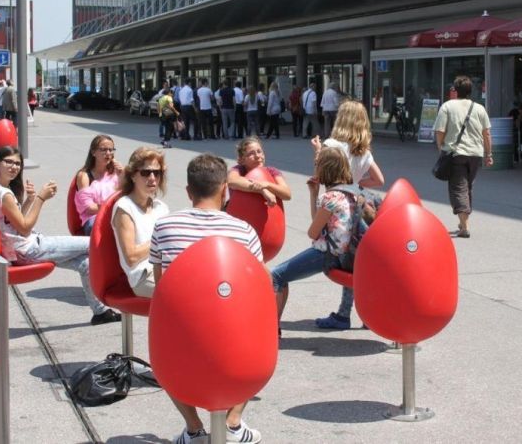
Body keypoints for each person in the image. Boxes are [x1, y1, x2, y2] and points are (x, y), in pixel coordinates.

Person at [150, 153, 263, 444]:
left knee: (162, 351)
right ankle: (234, 424)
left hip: (184, 339)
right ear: (225, 189)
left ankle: (194, 429)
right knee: (263, 335)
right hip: (236, 340)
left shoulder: (164, 227)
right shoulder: (244, 231)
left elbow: (163, 291)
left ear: (188, 191)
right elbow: (258, 292)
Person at [0, 146, 120, 325]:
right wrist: (41, 198)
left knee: (86, 264)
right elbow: (24, 228)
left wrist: (30, 200)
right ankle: (120, 286)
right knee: (96, 242)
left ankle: (100, 312)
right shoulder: (4, 193)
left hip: (19, 249)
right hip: (30, 248)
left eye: (17, 163)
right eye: (8, 162)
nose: (14, 167)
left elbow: (14, 222)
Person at [310, 99, 385, 330]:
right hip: (358, 204)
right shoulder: (363, 150)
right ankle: (364, 313)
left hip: (335, 206)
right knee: (358, 259)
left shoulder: (332, 144)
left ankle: (344, 315)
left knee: (346, 260)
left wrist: (318, 152)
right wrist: (356, 182)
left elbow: (321, 175)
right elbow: (379, 180)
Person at [271, 147, 355, 327]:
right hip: (349, 255)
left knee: (276, 275)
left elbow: (313, 232)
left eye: (317, 164)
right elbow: (321, 225)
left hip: (329, 255)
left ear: (325, 169)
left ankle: (271, 327)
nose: (314, 167)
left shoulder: (330, 198)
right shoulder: (352, 194)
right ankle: (344, 316)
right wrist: (313, 194)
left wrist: (317, 196)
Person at [433, 75, 492, 238]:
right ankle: (463, 220)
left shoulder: (447, 107)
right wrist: (489, 153)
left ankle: (464, 226)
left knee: (459, 188)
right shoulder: (479, 108)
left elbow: (440, 132)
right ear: (470, 91)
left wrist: (441, 148)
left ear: (455, 91)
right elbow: (486, 133)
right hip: (475, 154)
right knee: (467, 186)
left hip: (456, 153)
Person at [111, 148, 169, 298]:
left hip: (166, 269)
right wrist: (161, 241)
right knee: (181, 296)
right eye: (145, 172)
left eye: (157, 173)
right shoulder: (124, 207)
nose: (152, 178)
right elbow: (131, 257)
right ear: (133, 176)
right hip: (142, 277)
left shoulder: (161, 207)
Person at [74, 135, 123, 236]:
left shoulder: (117, 173)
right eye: (103, 150)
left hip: (115, 216)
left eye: (111, 150)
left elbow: (128, 197)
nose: (108, 153)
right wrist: (111, 206)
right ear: (93, 152)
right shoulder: (84, 176)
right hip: (93, 219)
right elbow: (89, 209)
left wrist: (122, 176)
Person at [227, 137, 292, 207]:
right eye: (251, 153)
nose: (257, 156)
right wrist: (262, 190)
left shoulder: (272, 171)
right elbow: (231, 181)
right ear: (242, 160)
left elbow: (287, 194)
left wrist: (267, 185)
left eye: (259, 151)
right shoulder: (238, 170)